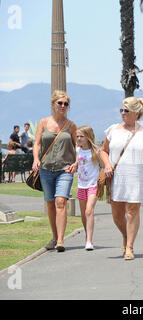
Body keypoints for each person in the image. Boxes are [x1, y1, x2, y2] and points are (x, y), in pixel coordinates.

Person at [100, 96, 143, 260]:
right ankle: (126, 235)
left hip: (137, 177)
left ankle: (130, 246)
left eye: (126, 110)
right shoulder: (112, 130)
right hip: (117, 177)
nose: (122, 113)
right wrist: (107, 165)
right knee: (117, 215)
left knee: (132, 211)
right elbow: (103, 151)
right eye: (121, 110)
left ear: (136, 113)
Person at [32, 90, 77, 252]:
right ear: (53, 104)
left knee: (60, 201)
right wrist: (36, 159)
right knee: (50, 203)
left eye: (66, 104)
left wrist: (76, 162)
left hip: (64, 169)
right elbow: (37, 143)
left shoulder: (71, 126)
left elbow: (77, 146)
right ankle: (54, 236)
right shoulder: (43, 122)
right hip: (45, 169)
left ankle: (60, 240)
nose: (63, 106)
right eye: (60, 103)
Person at [76, 125, 103, 251]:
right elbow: (76, 164)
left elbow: (103, 165)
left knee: (88, 211)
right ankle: (88, 235)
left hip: (93, 185)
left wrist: (103, 176)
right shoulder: (77, 150)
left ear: (88, 137)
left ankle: (89, 241)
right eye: (77, 136)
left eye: (82, 136)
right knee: (83, 214)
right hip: (81, 185)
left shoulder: (96, 151)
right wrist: (72, 167)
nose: (79, 139)